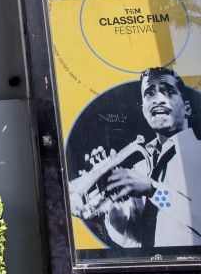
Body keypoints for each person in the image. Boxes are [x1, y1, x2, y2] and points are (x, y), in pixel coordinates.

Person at [69, 67, 201, 249]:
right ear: (144, 109)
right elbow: (132, 240)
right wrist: (112, 195)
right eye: (149, 93)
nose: (157, 99)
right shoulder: (140, 168)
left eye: (168, 91)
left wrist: (153, 190)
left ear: (187, 108)